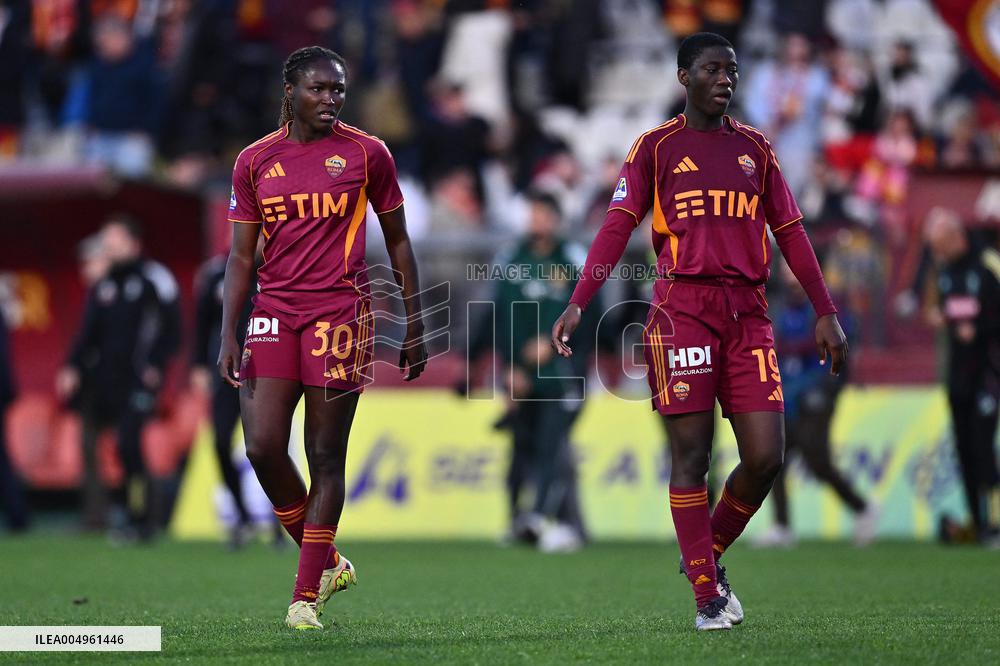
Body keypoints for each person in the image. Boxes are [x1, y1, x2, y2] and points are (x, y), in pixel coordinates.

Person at [551, 32, 847, 631]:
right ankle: (707, 598)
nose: (724, 79)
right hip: (682, 312)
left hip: (749, 314)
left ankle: (702, 559)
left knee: (766, 457)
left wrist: (824, 308)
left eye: (731, 70)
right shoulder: (655, 148)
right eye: (712, 69)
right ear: (684, 76)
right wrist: (580, 300)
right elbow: (615, 228)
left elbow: (791, 233)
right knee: (692, 456)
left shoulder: (757, 150)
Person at [219, 46, 428, 631]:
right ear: (290, 91)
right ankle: (328, 559)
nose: (331, 99)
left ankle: (304, 596)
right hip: (274, 311)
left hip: (342, 315)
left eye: (338, 89)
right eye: (319, 89)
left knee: (324, 455)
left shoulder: (368, 154)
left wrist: (415, 322)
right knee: (260, 445)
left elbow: (401, 242)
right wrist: (228, 331)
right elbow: (240, 257)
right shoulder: (255, 160)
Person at [467, 190, 596, 552]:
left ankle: (544, 519)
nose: (536, 220)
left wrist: (556, 343)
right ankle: (522, 519)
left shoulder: (571, 259)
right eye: (532, 213)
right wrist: (507, 367)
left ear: (556, 219)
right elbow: (500, 317)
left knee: (552, 445)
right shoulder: (511, 258)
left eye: (543, 214)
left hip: (562, 373)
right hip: (520, 375)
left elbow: (593, 314)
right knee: (522, 444)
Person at [56, 216, 182, 539]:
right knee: (112, 448)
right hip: (106, 382)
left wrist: (155, 364)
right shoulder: (106, 283)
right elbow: (88, 332)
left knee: (129, 443)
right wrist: (72, 366)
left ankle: (144, 517)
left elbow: (173, 331)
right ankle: (121, 514)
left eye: (113, 239)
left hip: (139, 381)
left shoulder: (155, 279)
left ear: (131, 242)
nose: (108, 245)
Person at [754, 264, 877, 548]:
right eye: (784, 271)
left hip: (817, 393)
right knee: (774, 459)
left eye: (792, 270)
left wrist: (828, 386)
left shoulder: (825, 307)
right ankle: (782, 526)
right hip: (787, 393)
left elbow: (841, 348)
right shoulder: (780, 306)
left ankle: (862, 508)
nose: (788, 276)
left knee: (817, 460)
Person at [923, 208, 1000, 545]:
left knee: (984, 448)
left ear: (956, 236)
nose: (938, 253)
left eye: (940, 245)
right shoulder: (944, 271)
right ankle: (979, 523)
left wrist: (979, 328)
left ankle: (996, 524)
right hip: (958, 375)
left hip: (989, 372)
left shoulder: (988, 264)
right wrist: (939, 316)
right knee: (965, 450)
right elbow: (938, 308)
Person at [191, 250, 255, 548]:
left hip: (265, 374)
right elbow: (201, 322)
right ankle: (243, 514)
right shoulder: (217, 272)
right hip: (226, 372)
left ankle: (284, 526)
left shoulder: (278, 269)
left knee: (266, 449)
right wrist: (198, 367)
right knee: (219, 442)